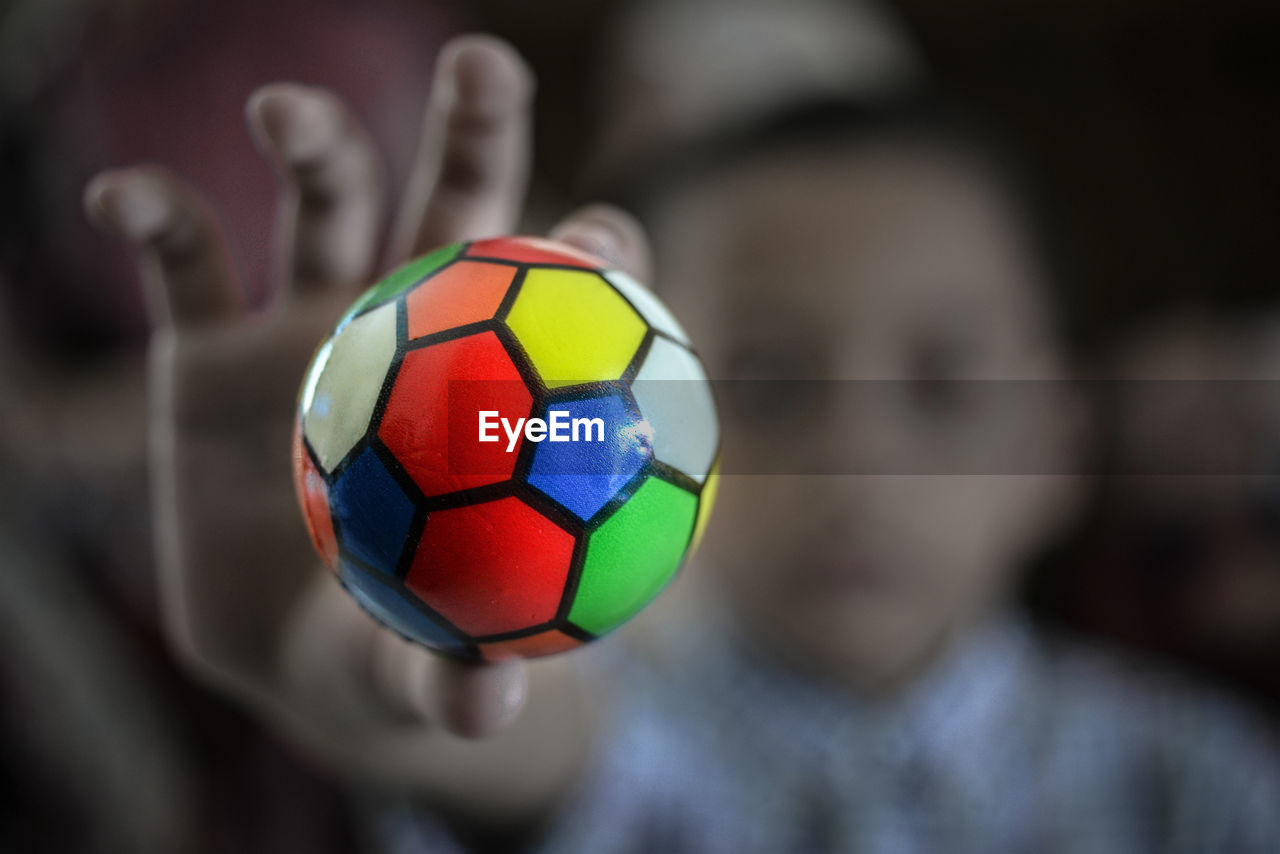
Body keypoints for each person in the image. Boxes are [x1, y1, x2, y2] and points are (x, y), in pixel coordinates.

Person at [85, 34, 1280, 853]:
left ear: (1056, 449)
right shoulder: (618, 724)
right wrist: (426, 608)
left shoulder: (1190, 774)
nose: (852, 453)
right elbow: (543, 760)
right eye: (761, 380)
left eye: (943, 382)